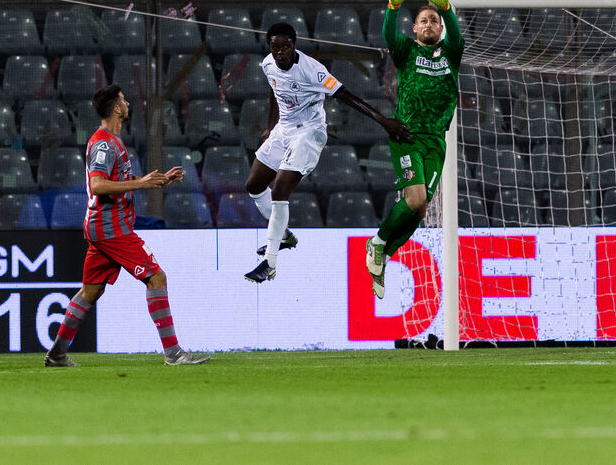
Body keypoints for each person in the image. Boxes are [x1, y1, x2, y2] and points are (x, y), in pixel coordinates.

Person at [44, 85, 210, 367]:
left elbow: (116, 179)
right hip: (112, 229)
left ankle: (57, 354)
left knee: (91, 290)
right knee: (157, 278)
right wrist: (142, 184)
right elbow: (98, 184)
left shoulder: (112, 140)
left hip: (104, 228)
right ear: (116, 108)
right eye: (124, 100)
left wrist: (154, 180)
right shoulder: (104, 144)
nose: (128, 103)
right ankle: (174, 353)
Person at [243, 23, 413, 283]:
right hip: (283, 130)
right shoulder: (267, 64)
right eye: (275, 47)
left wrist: (383, 120)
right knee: (253, 185)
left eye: (285, 46)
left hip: (309, 133)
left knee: (279, 190)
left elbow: (346, 96)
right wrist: (270, 127)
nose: (280, 52)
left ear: (294, 44)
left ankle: (270, 262)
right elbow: (274, 91)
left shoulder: (312, 70)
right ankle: (285, 236)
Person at [367, 0, 465, 298]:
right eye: (423, 20)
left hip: (436, 139)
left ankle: (383, 252)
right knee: (417, 200)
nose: (428, 24)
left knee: (420, 209)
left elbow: (459, 40)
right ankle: (379, 243)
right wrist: (394, 5)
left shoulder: (450, 54)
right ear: (415, 28)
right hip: (407, 133)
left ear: (440, 29)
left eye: (434, 21)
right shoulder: (407, 51)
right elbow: (387, 34)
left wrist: (446, 7)